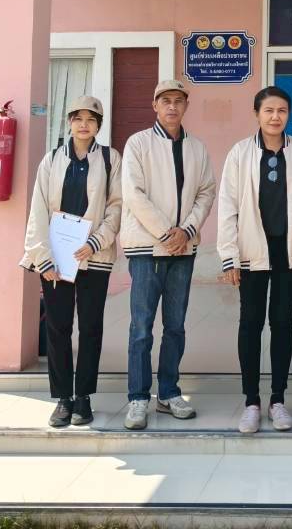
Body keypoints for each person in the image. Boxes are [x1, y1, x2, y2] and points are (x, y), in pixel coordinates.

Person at [216, 86, 292, 434]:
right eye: (269, 110)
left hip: (289, 250)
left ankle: (277, 400)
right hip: (251, 251)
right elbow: (227, 206)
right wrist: (229, 256)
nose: (276, 117)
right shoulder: (240, 153)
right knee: (250, 323)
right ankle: (251, 402)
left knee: (282, 322)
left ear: (289, 115)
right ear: (257, 114)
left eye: (282, 111)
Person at [19, 96, 122, 428]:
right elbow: (38, 211)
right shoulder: (51, 160)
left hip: (94, 256)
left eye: (91, 119)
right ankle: (63, 398)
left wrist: (96, 242)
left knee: (90, 328)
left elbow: (116, 206)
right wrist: (43, 258)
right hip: (57, 259)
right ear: (69, 123)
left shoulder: (110, 159)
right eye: (78, 118)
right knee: (58, 327)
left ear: (98, 125)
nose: (83, 125)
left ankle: (84, 397)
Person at [121, 79, 216, 430]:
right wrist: (166, 233)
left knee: (175, 326)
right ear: (155, 106)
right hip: (147, 249)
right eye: (165, 101)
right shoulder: (138, 143)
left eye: (178, 100)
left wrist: (186, 231)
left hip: (183, 250)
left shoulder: (197, 148)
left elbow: (206, 192)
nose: (172, 106)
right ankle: (137, 398)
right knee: (141, 327)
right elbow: (133, 193)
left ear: (186, 105)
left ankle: (169, 392)